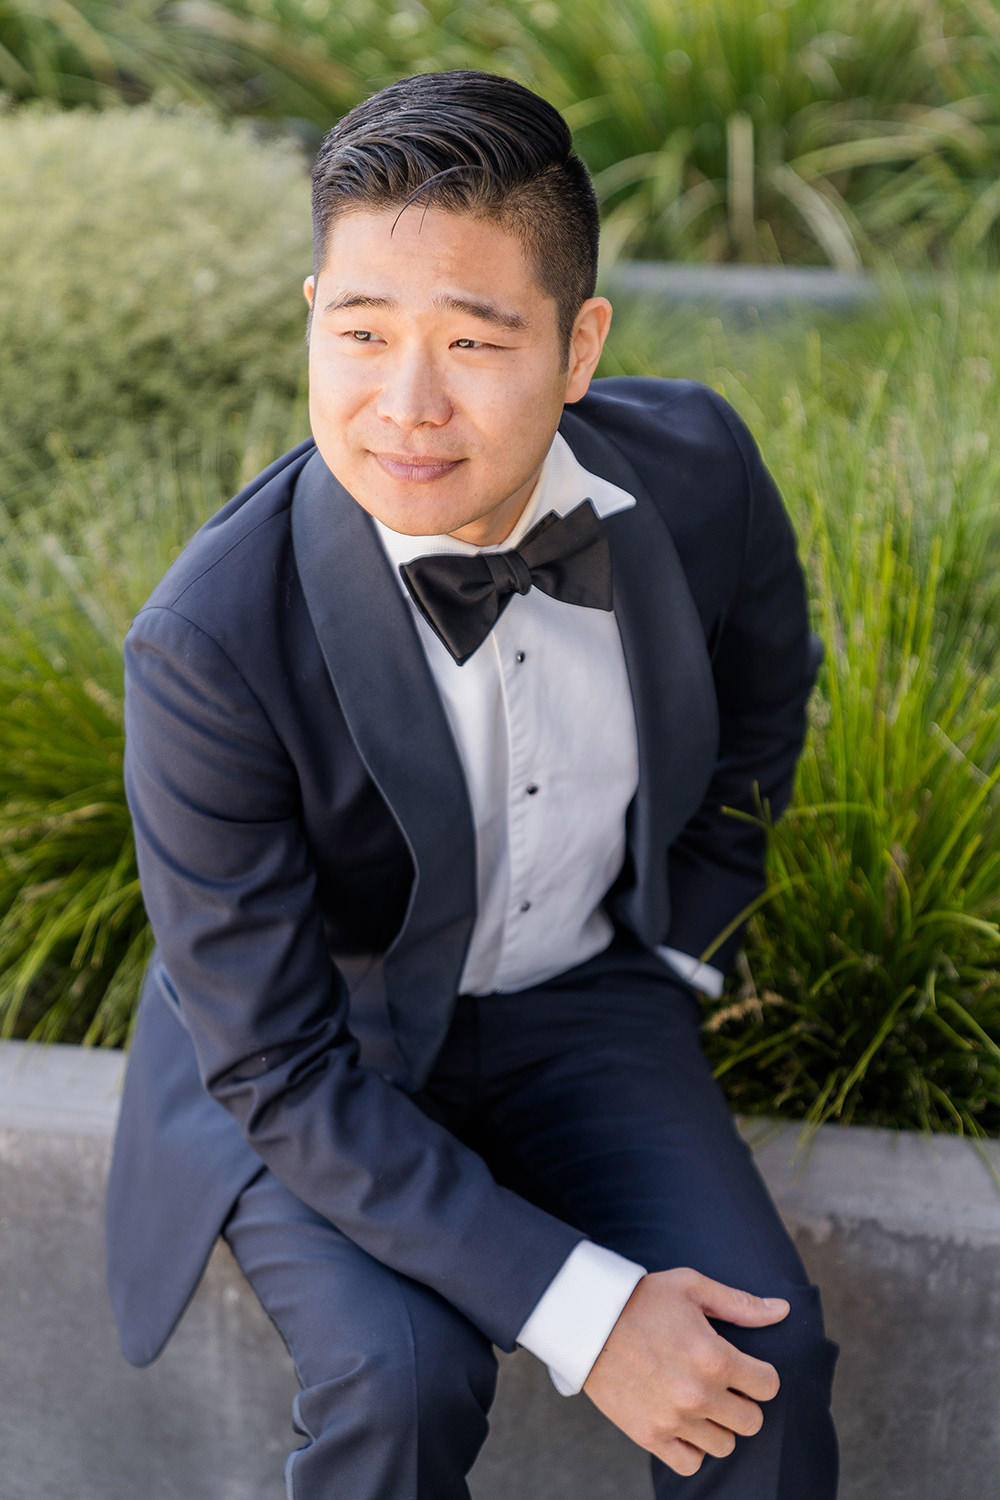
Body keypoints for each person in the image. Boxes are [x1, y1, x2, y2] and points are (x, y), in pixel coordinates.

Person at [106, 69, 838, 1499]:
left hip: (587, 1003)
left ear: (579, 347)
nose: (407, 406)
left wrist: (681, 939)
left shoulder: (696, 475)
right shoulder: (205, 642)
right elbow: (274, 1058)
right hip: (329, 1049)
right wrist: (589, 1314)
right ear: (312, 318)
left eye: (473, 341)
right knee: (402, 1378)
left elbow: (763, 716)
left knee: (768, 1362)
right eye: (363, 335)